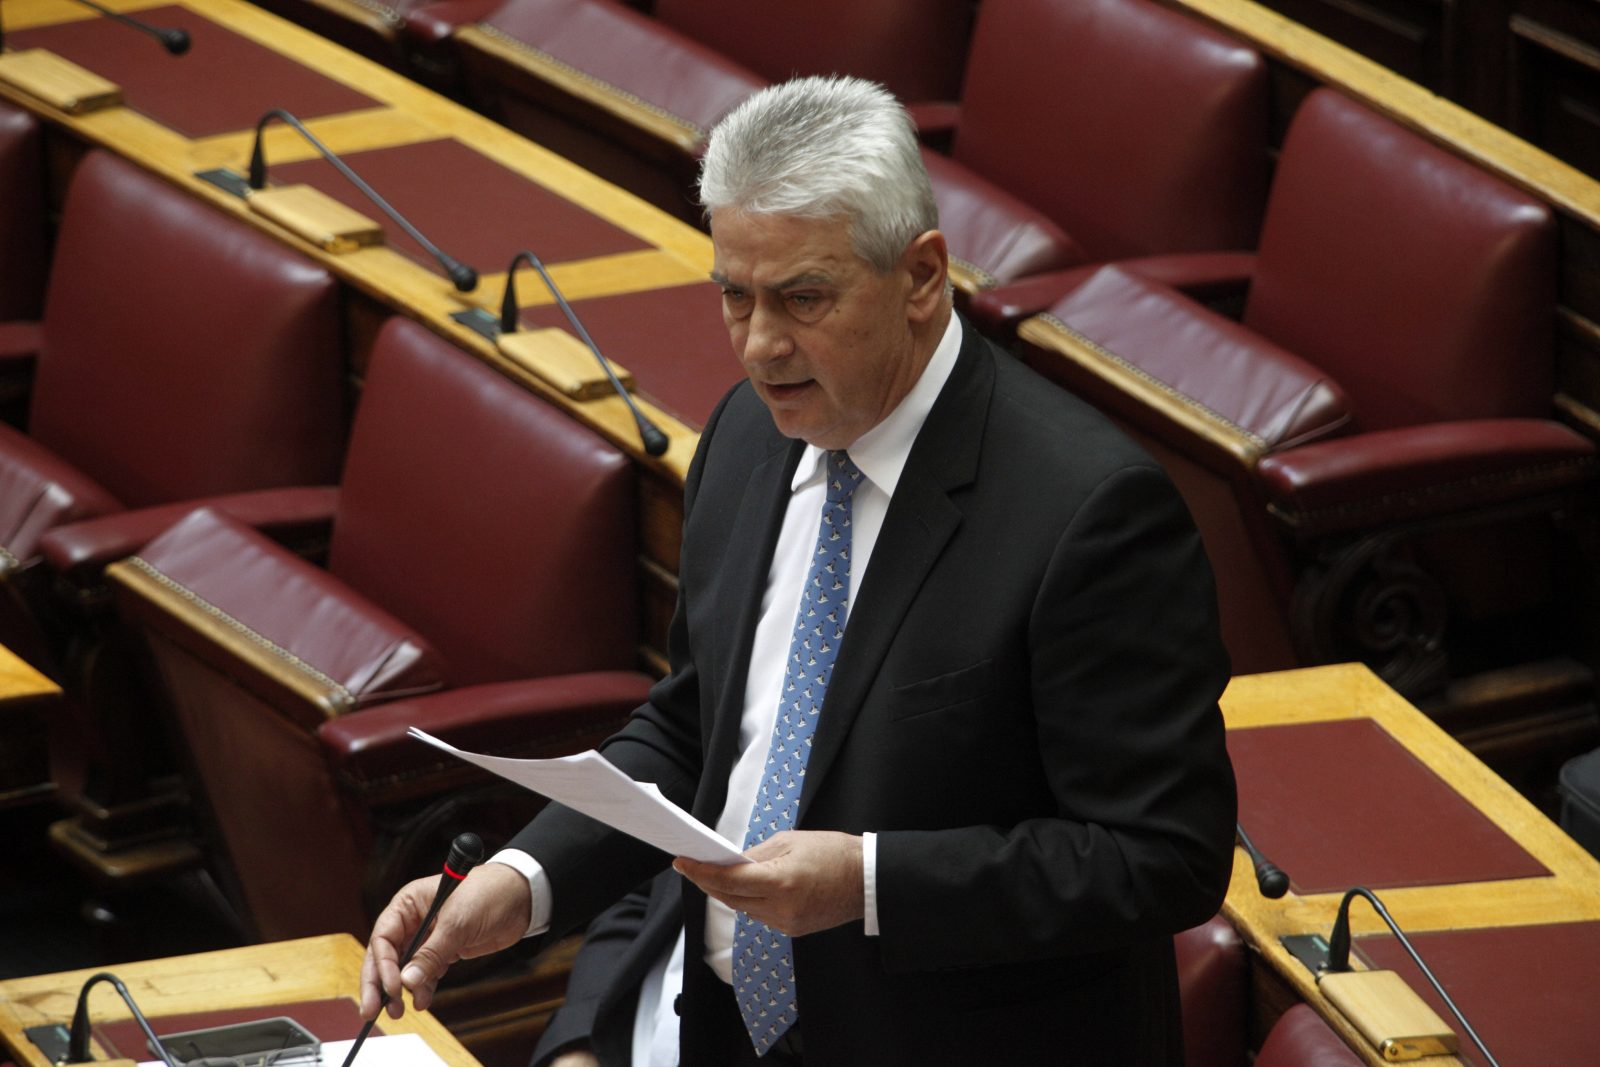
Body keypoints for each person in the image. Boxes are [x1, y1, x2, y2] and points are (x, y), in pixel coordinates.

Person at [358, 75, 1236, 1065]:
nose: (760, 345)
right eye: (734, 296)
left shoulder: (1088, 510)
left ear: (921, 275)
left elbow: (1162, 854)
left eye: (803, 298)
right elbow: (696, 726)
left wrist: (868, 883)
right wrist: (523, 880)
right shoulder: (747, 434)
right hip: (729, 1030)